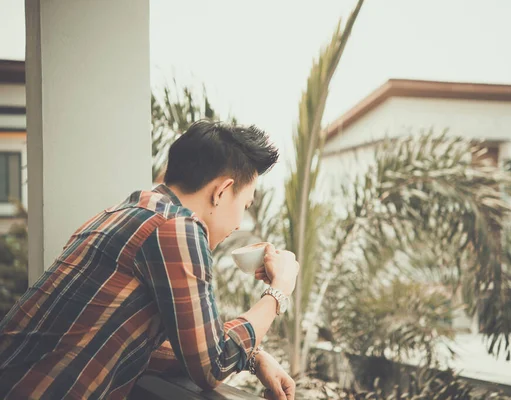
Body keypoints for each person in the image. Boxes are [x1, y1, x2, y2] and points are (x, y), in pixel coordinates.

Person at [0, 121, 299, 400]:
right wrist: (279, 289)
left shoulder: (126, 212)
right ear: (221, 191)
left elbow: (133, 344)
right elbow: (213, 364)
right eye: (244, 205)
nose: (239, 222)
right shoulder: (178, 227)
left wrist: (253, 356)